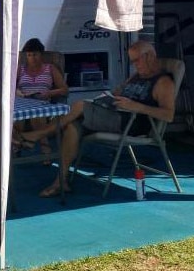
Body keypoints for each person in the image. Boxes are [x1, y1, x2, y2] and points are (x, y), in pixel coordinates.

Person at [21, 40, 175, 197]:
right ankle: (60, 182)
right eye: (132, 60)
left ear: (149, 56)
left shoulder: (163, 82)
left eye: (137, 60)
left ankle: (38, 135)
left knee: (80, 105)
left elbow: (168, 115)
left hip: (131, 123)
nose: (135, 65)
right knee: (73, 126)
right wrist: (111, 96)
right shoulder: (137, 76)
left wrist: (136, 106)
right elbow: (117, 92)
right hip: (114, 114)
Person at [13, 38, 68, 159]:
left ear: (41, 54)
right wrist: (17, 91)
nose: (32, 58)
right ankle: (24, 145)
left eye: (35, 54)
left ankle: (39, 147)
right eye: (29, 55)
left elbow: (64, 89)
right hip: (23, 102)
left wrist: (49, 93)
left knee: (36, 115)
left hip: (42, 103)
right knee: (18, 116)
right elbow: (10, 87)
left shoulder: (50, 68)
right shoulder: (20, 69)